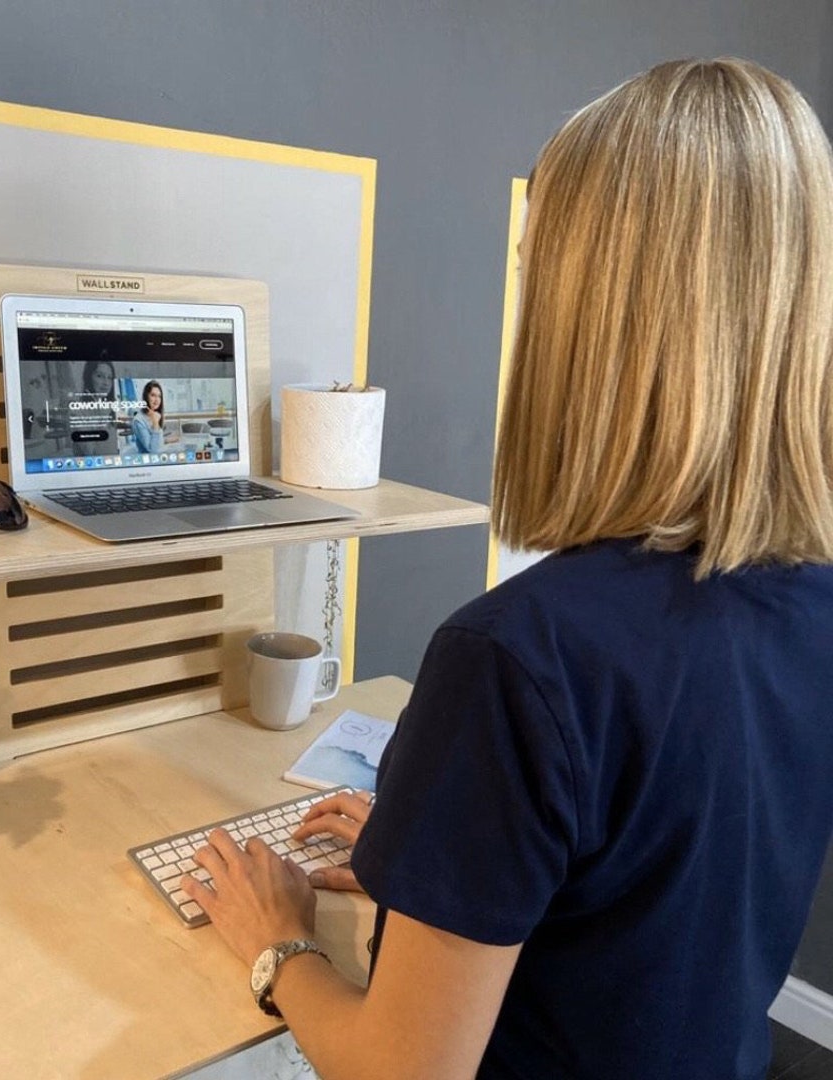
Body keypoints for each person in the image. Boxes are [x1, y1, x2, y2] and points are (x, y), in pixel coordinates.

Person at [180, 57, 833, 1080]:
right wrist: (444, 862)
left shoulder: (520, 656)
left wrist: (279, 942)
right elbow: (659, 884)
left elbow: (400, 1072)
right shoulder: (812, 598)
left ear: (588, 316)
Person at [79, 357, 119, 453]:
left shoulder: (113, 407)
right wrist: (102, 418)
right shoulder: (77, 412)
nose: (106, 383)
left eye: (109, 378)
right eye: (99, 376)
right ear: (89, 378)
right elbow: (90, 452)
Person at [131, 379, 179, 455]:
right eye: (153, 395)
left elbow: (154, 440)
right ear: (146, 397)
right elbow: (153, 450)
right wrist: (156, 423)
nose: (157, 400)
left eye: (159, 396)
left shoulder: (155, 414)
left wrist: (166, 440)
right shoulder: (138, 421)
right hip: (148, 462)